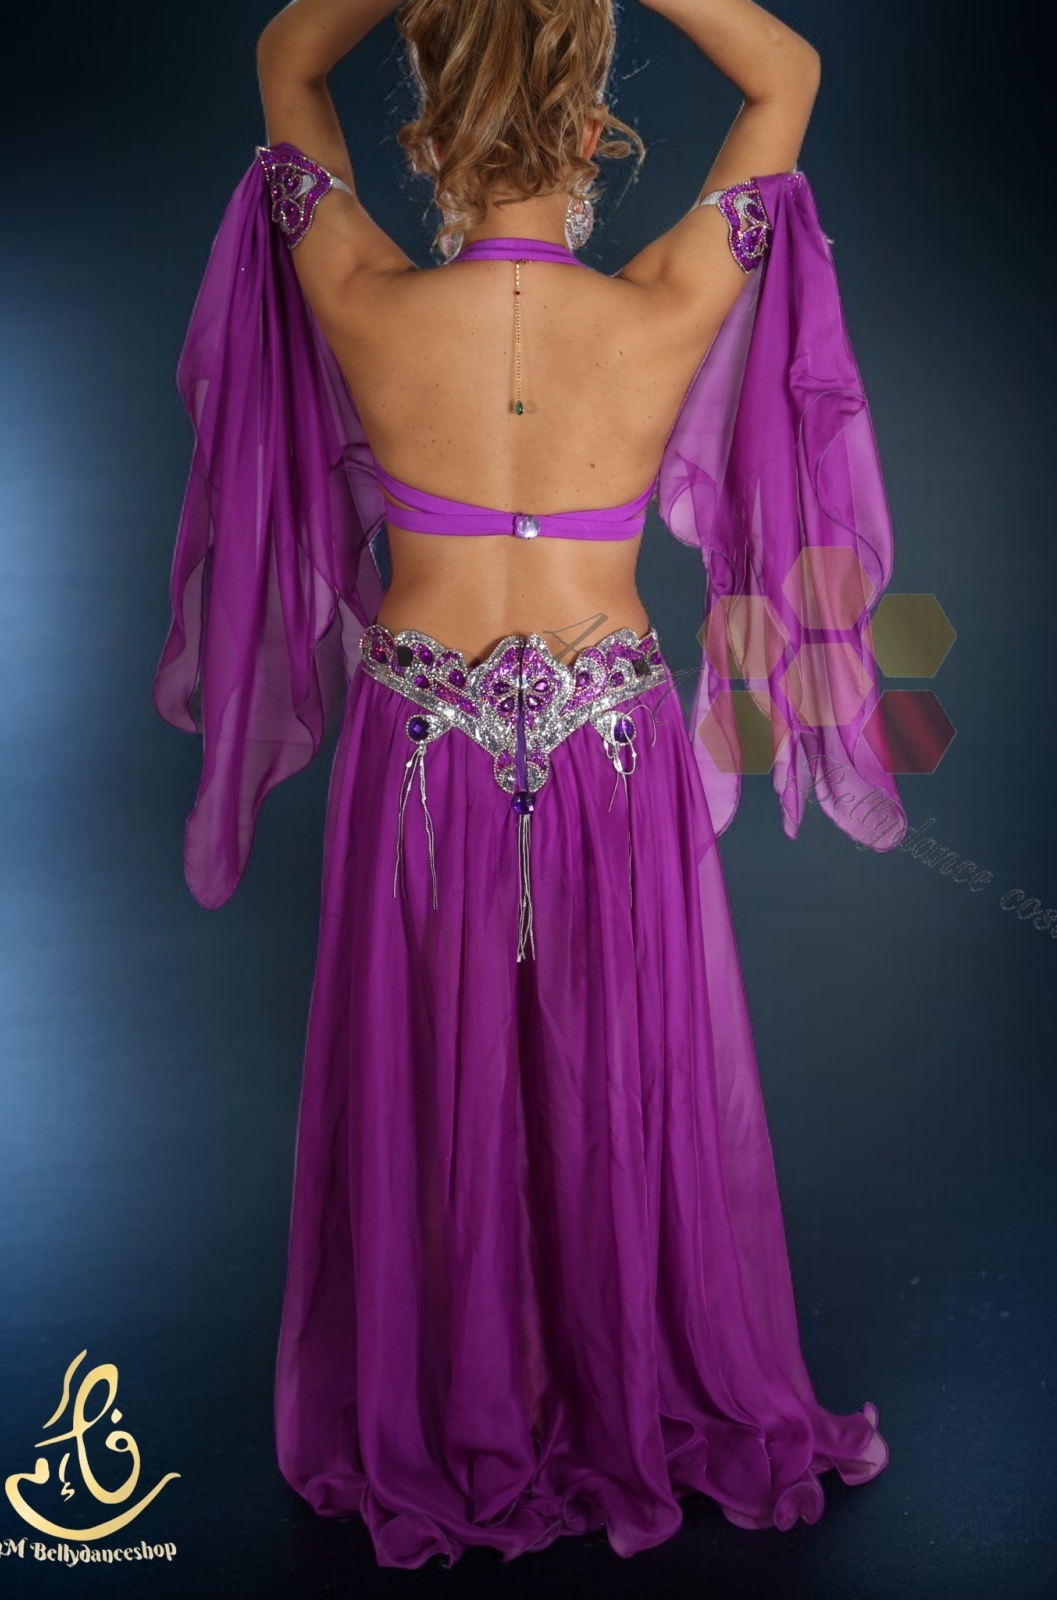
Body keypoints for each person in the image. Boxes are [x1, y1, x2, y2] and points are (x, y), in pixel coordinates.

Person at [153, 0, 908, 1570]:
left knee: (427, 1076)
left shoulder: (357, 288)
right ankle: (617, 1383)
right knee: (614, 1075)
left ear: (429, 129)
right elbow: (786, 71)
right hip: (609, 746)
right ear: (588, 124)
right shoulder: (665, 302)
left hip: (419, 747)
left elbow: (288, 55)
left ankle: (459, 1395)